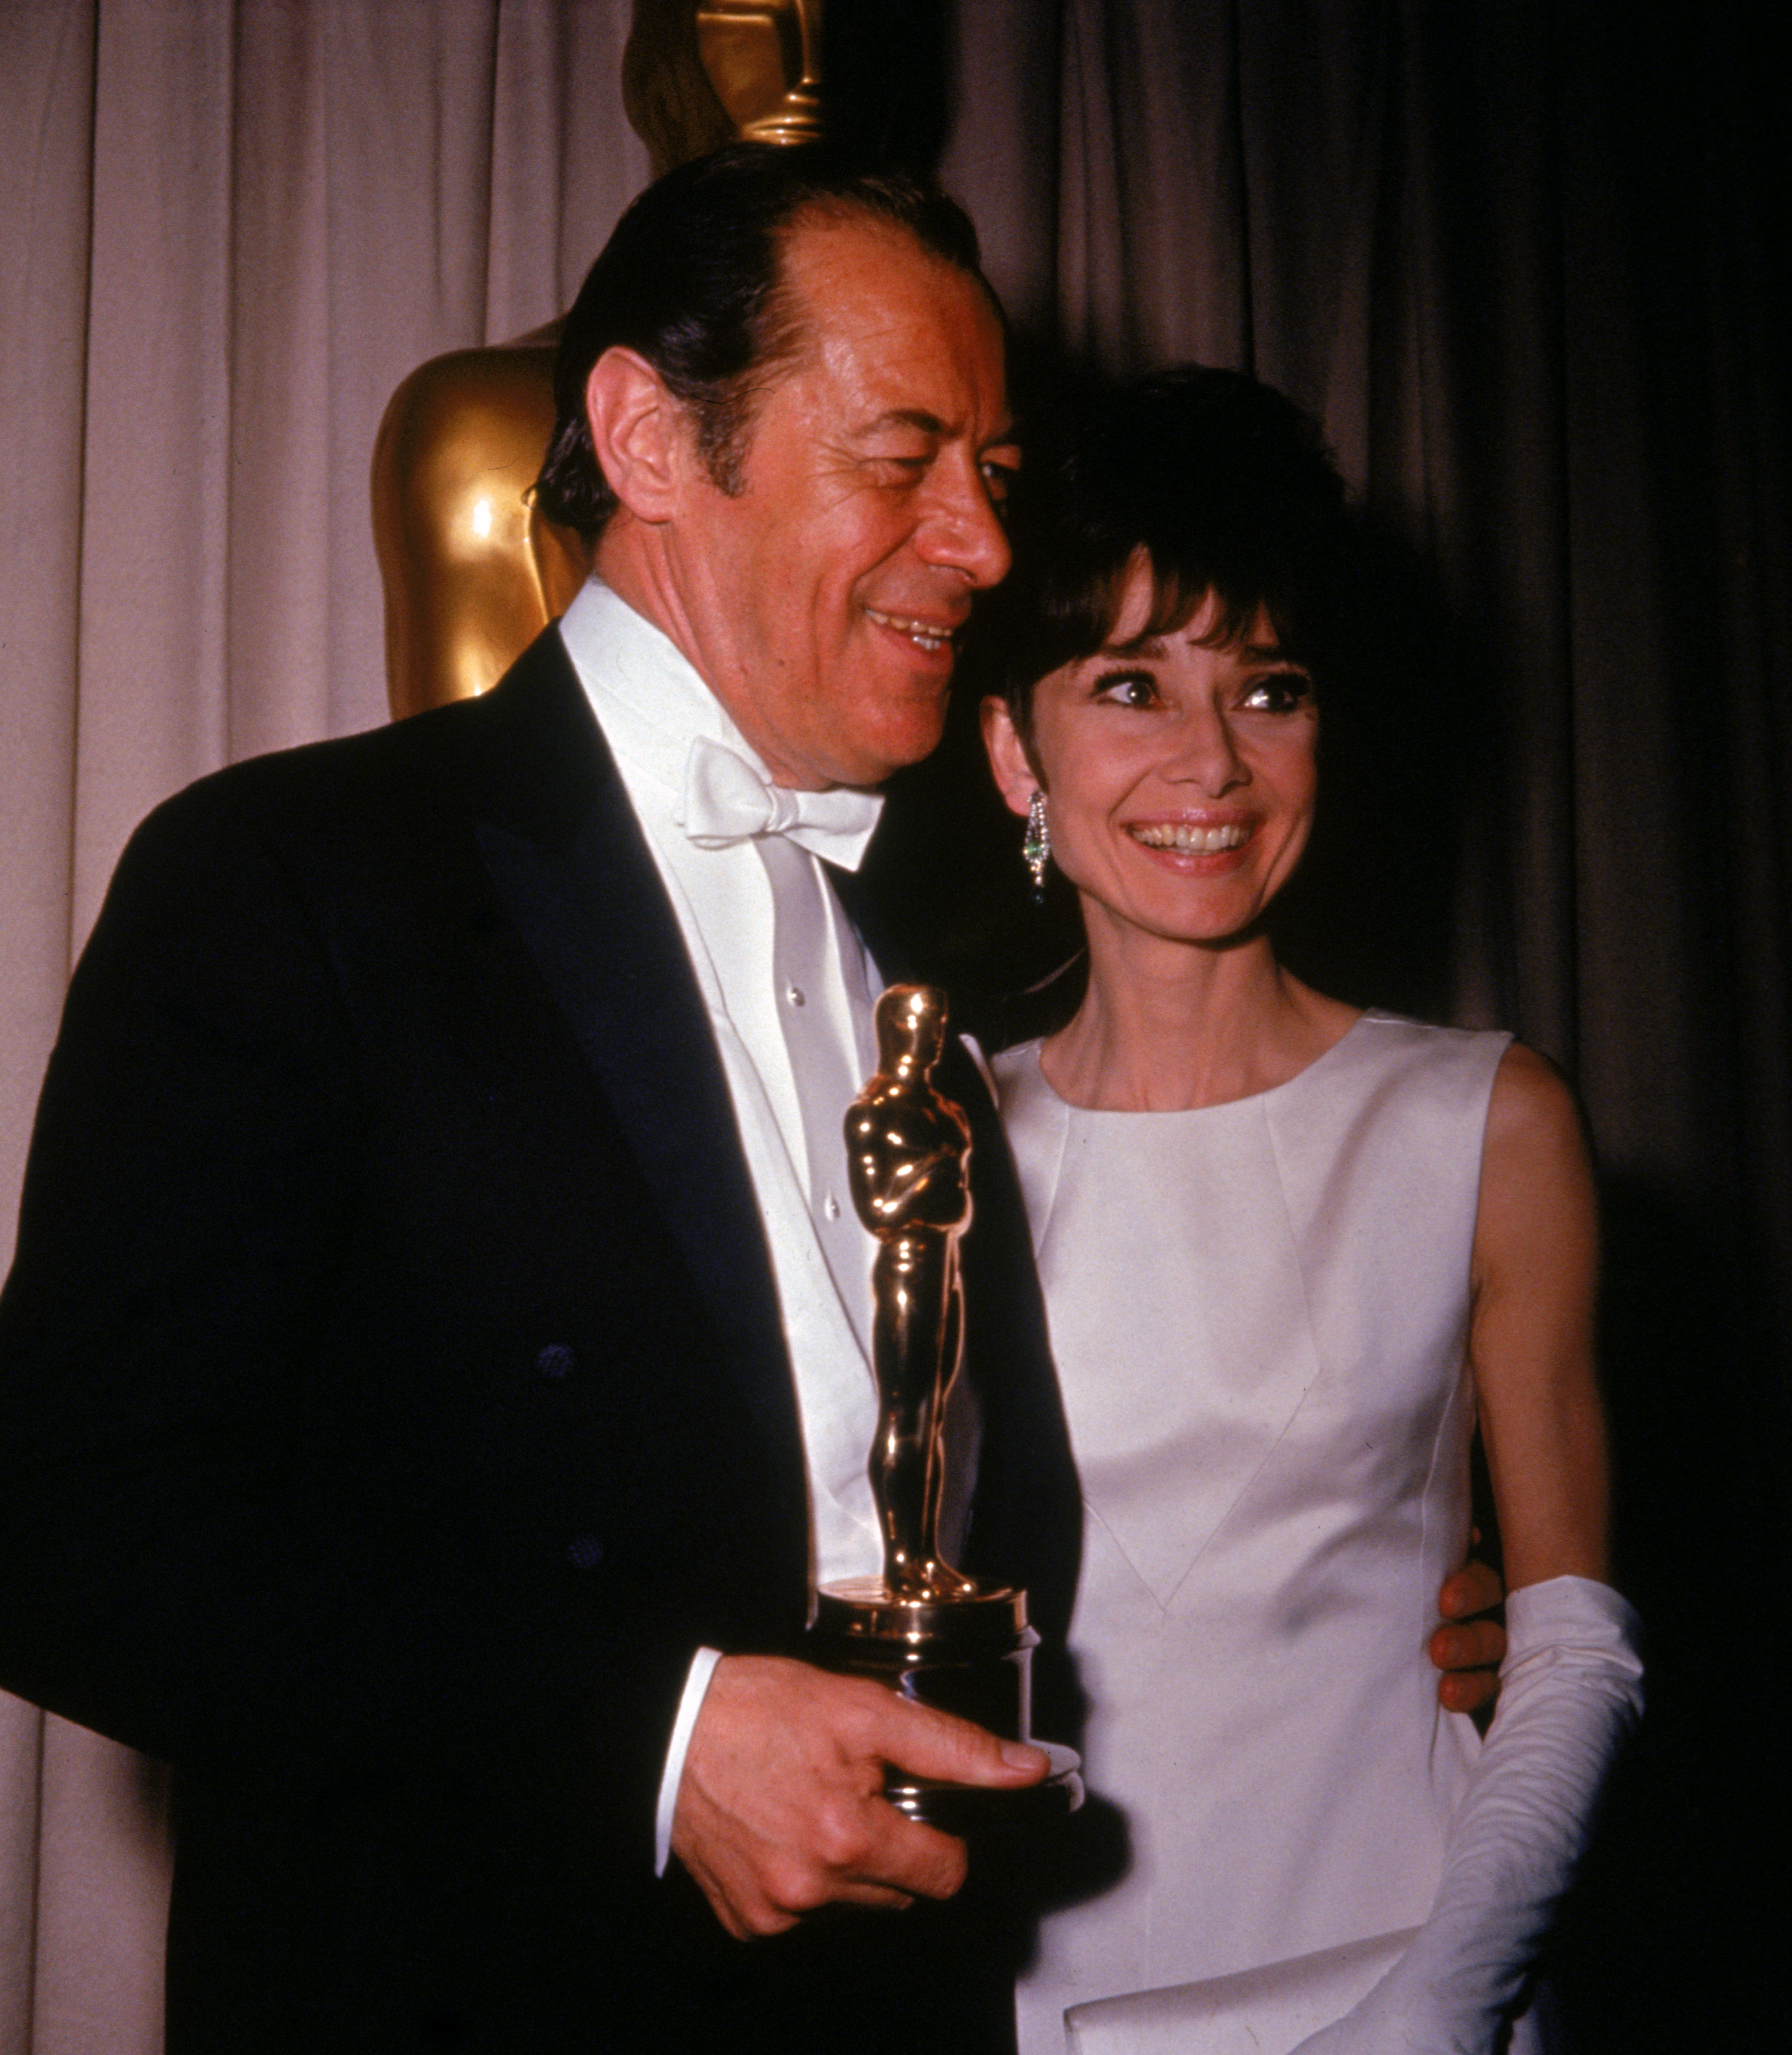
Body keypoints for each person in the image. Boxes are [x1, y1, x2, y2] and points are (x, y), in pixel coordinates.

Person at [0, 147, 1502, 2052]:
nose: (980, 542)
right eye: (905, 458)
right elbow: (68, 1535)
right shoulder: (295, 880)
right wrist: (662, 1735)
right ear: (646, 435)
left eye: (998, 475)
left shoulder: (932, 970)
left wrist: (1415, 1611)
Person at [976, 368, 1644, 2053]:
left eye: (1267, 689)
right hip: (1037, 2005)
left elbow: (1571, 1644)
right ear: (1012, 748)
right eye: (1131, 684)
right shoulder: (935, 1144)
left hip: (1416, 1971)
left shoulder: (1485, 1118)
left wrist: (1445, 1996)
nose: (1211, 760)